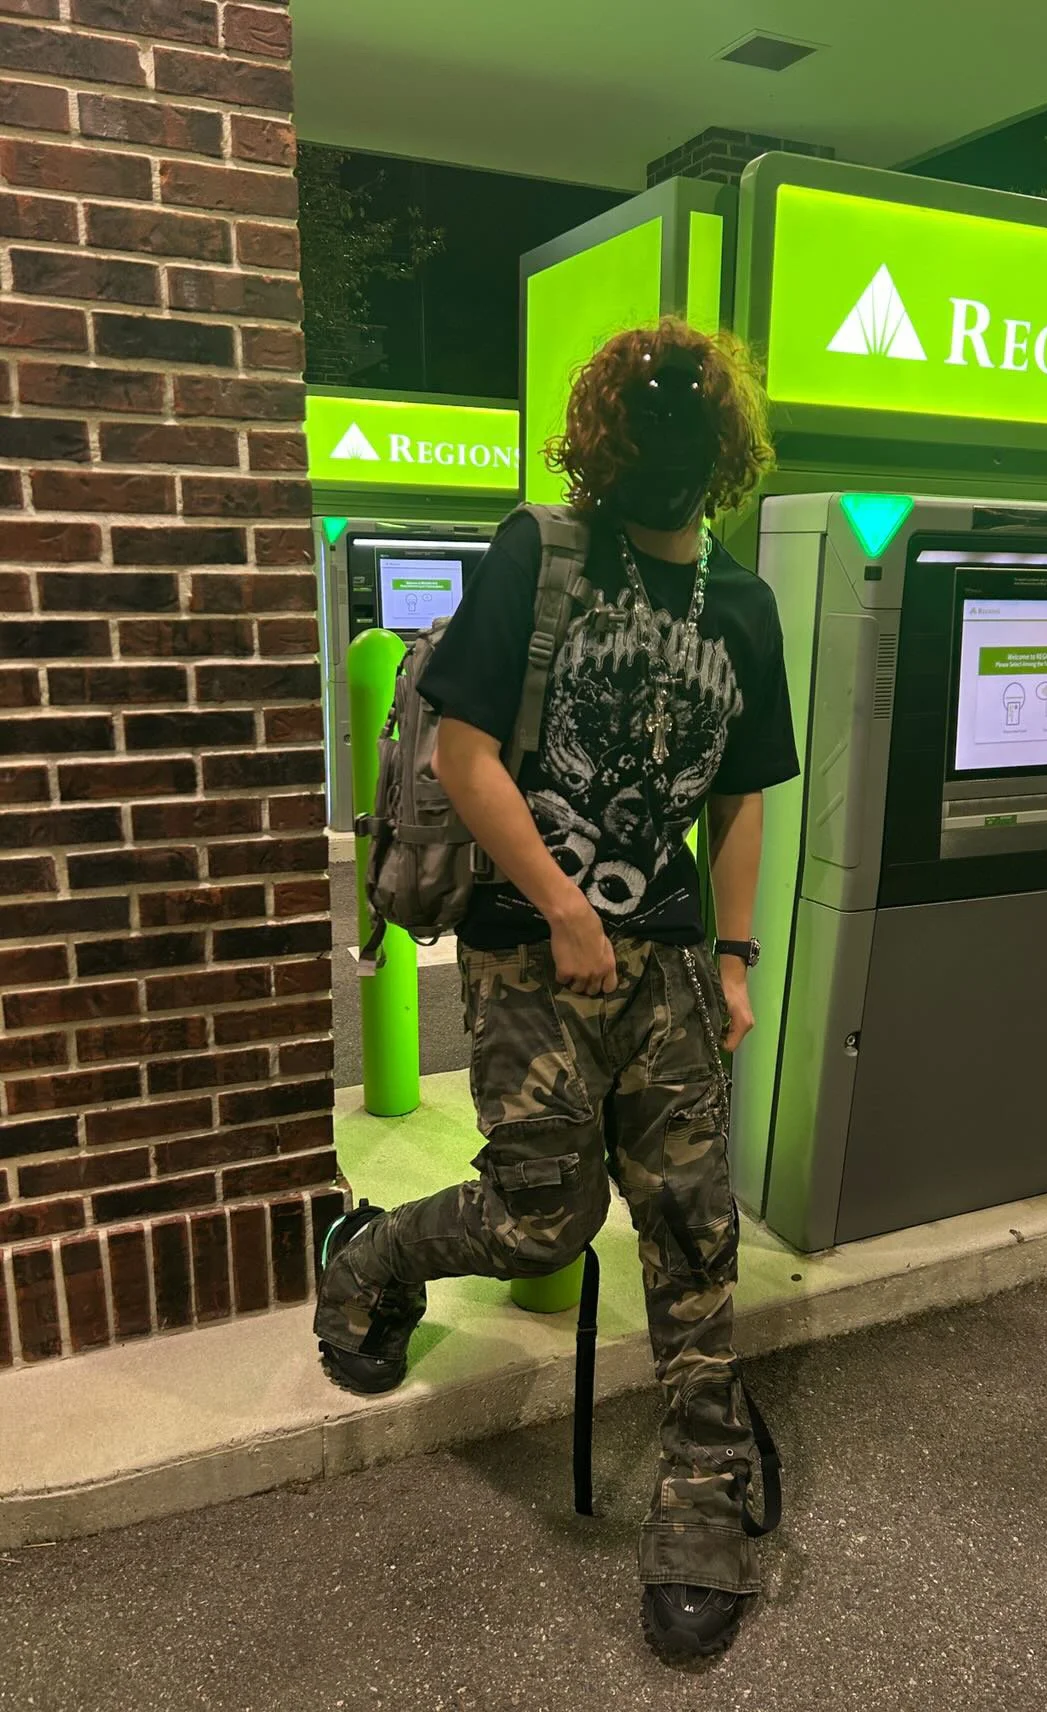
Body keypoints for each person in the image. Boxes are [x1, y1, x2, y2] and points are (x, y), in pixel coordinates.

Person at [313, 317, 799, 1663]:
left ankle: (704, 1497)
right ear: (606, 442)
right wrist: (564, 905)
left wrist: (739, 958)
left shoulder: (744, 608)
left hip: (674, 966)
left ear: (724, 453)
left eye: (694, 439)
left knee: (696, 1232)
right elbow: (467, 752)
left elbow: (745, 799)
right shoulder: (542, 554)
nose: (671, 463)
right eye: (648, 436)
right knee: (544, 1217)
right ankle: (376, 1256)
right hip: (531, 948)